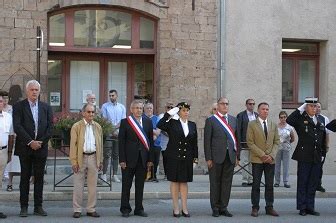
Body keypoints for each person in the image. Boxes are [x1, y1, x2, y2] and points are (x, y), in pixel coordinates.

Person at [13, 80, 53, 217]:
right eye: (32, 90)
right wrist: (30, 142)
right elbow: (17, 126)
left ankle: (38, 206)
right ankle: (24, 207)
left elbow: (50, 128)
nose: (34, 92)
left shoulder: (46, 107)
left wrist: (40, 142)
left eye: (36, 90)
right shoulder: (19, 106)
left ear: (39, 91)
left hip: (41, 148)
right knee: (24, 178)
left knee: (39, 178)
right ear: (27, 91)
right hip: (25, 148)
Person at [157, 102, 198, 218]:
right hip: (173, 156)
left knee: (184, 182)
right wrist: (170, 113)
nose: (186, 113)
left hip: (187, 157)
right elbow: (160, 124)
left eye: (187, 110)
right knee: (174, 181)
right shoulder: (172, 123)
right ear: (179, 112)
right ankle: (176, 207)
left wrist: (195, 159)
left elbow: (194, 143)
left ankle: (184, 207)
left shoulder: (192, 125)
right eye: (184, 110)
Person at [286, 97, 326, 216]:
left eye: (315, 106)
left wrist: (323, 153)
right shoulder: (300, 119)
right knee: (303, 182)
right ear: (306, 107)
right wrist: (300, 108)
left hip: (316, 156)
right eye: (311, 106)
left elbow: (322, 139)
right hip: (304, 156)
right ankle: (302, 207)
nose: (314, 108)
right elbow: (289, 120)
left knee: (313, 183)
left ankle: (310, 207)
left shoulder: (320, 120)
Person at [204, 97, 239, 217]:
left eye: (227, 104)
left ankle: (224, 207)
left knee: (227, 183)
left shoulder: (234, 120)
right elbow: (207, 141)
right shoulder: (211, 120)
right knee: (215, 183)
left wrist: (237, 157)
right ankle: (215, 207)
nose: (225, 106)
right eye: (222, 103)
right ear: (218, 105)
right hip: (215, 157)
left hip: (230, 157)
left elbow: (237, 139)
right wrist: (208, 158)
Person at [119, 100, 154, 218]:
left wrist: (150, 159)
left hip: (143, 159)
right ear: (131, 109)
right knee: (126, 185)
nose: (139, 110)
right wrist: (122, 160)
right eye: (136, 108)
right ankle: (125, 209)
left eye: (140, 108)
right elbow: (121, 142)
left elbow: (150, 142)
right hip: (128, 159)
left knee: (140, 186)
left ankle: (139, 209)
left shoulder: (148, 122)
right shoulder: (125, 122)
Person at [69, 103, 103, 218]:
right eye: (88, 112)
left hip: (93, 157)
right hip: (80, 158)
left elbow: (100, 145)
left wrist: (100, 160)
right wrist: (74, 161)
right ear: (83, 113)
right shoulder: (76, 126)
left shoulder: (98, 126)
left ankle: (91, 209)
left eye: (93, 112)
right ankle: (77, 209)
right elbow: (73, 145)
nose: (91, 114)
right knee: (78, 185)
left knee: (92, 186)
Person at [247, 102, 280, 217]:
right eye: (263, 109)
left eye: (267, 109)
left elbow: (277, 142)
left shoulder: (273, 124)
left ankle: (269, 207)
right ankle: (255, 207)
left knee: (269, 185)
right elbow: (250, 143)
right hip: (257, 160)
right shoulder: (252, 124)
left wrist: (271, 155)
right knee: (256, 184)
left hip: (270, 160)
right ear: (258, 110)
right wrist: (262, 155)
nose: (266, 111)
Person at [101, 89, 126, 183]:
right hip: (108, 132)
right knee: (106, 154)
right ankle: (104, 174)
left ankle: (114, 175)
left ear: (117, 96)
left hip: (118, 133)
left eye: (113, 95)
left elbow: (123, 120)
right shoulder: (105, 106)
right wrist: (112, 130)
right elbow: (104, 119)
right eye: (110, 96)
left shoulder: (122, 107)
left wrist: (116, 129)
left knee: (116, 155)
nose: (111, 97)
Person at [237, 99, 258, 187]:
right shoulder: (241, 115)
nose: (251, 105)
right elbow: (238, 129)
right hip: (244, 142)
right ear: (246, 105)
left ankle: (251, 179)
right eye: (250, 104)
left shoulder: (257, 115)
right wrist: (239, 142)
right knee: (245, 161)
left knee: (252, 162)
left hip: (255, 143)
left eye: (253, 104)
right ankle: (245, 180)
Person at [0, 92, 14, 219]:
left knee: (0, 182)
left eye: (1, 101)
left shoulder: (8, 117)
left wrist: (9, 153)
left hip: (3, 152)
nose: (0, 103)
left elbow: (11, 136)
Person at [274, 111, 295, 188]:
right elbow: (274, 137)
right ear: (279, 118)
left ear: (287, 117)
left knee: (286, 165)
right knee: (277, 165)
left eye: (285, 117)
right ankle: (277, 182)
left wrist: (287, 143)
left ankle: (286, 181)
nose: (283, 119)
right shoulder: (276, 127)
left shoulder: (290, 127)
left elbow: (293, 138)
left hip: (286, 148)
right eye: (281, 117)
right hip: (278, 148)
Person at [143, 102, 161, 182]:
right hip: (145, 144)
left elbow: (158, 132)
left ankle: (154, 176)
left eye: (151, 108)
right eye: (147, 108)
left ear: (153, 109)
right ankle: (145, 176)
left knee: (155, 161)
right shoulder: (141, 118)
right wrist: (152, 131)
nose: (149, 109)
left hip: (155, 144)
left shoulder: (157, 119)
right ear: (144, 109)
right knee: (145, 160)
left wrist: (149, 128)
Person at [315, 102, 330, 192]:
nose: (318, 108)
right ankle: (312, 184)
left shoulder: (325, 119)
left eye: (319, 107)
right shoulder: (310, 118)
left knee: (320, 167)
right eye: (316, 106)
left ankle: (318, 184)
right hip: (312, 148)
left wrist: (327, 146)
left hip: (322, 148)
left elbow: (327, 134)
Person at [158, 102, 174, 180]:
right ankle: (166, 174)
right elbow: (160, 128)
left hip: (174, 142)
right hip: (164, 142)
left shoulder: (176, 116)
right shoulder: (161, 116)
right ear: (165, 108)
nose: (170, 109)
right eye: (168, 107)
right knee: (166, 158)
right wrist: (169, 134)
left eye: (171, 107)